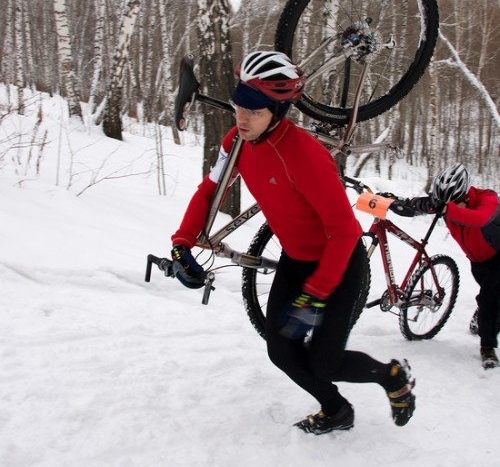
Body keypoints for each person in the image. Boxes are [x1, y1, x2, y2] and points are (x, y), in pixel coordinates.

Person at [170, 50, 416, 434]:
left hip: (339, 264)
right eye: (239, 106)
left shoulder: (305, 156)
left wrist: (316, 294)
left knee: (325, 362)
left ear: (278, 110)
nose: (242, 118)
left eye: (254, 110)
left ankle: (392, 376)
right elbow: (209, 189)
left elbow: (345, 231)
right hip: (296, 260)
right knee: (280, 350)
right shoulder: (236, 141)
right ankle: (337, 410)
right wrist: (181, 243)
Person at [409, 163, 500, 369]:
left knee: (490, 298)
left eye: (454, 202)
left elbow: (480, 218)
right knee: (490, 300)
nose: (449, 206)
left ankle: (487, 347)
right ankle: (485, 318)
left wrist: (446, 208)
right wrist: (400, 204)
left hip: (498, 256)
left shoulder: (488, 198)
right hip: (477, 260)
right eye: (445, 202)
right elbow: (423, 205)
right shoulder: (445, 203)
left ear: (465, 193)